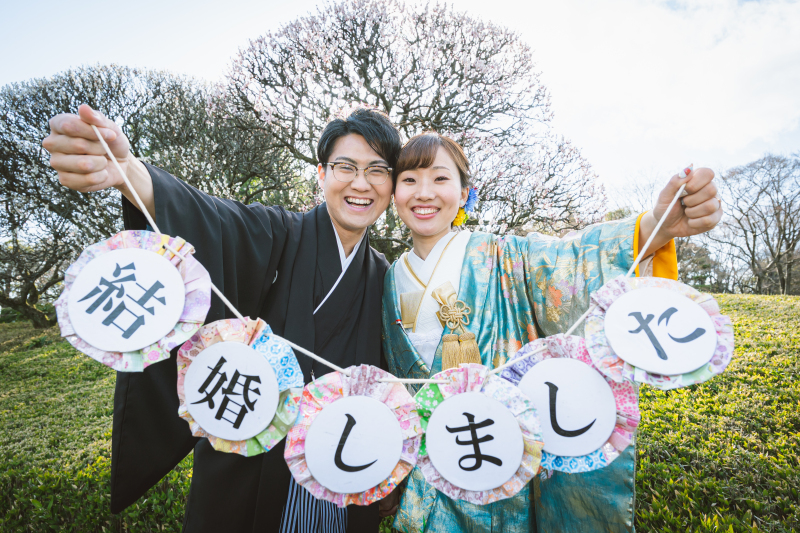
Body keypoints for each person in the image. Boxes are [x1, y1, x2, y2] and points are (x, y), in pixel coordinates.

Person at [43, 103, 402, 533]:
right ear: (322, 174)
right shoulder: (280, 232)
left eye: (377, 170)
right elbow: (214, 220)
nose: (360, 183)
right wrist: (130, 173)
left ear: (392, 184)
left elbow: (391, 385)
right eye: (346, 166)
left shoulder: (384, 275)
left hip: (342, 465)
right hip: (251, 462)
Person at [380, 132, 723, 532]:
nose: (425, 193)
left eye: (440, 179)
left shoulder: (505, 253)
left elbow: (572, 260)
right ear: (393, 192)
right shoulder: (389, 279)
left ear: (464, 193)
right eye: (410, 180)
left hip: (503, 456)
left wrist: (655, 226)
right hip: (434, 469)